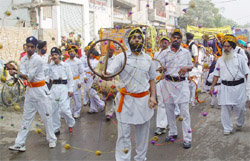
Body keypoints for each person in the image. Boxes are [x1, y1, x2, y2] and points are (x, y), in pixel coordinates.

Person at [105, 28, 157, 161]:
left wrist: (153, 96)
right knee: (124, 135)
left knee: (143, 134)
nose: (137, 39)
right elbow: (109, 72)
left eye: (139, 37)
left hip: (143, 100)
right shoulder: (121, 57)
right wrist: (106, 75)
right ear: (129, 41)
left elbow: (152, 79)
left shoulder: (148, 59)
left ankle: (140, 158)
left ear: (142, 40)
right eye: (134, 37)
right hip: (126, 100)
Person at [8, 36, 57, 152]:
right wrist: (14, 71)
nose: (29, 49)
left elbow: (29, 76)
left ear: (35, 48)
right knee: (26, 118)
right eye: (27, 46)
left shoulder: (38, 60)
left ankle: (52, 139)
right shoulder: (24, 59)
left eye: (32, 47)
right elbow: (23, 73)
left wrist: (15, 70)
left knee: (46, 116)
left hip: (40, 91)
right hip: (30, 92)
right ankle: (20, 143)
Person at [210, 34, 249, 135]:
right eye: (224, 46)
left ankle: (239, 123)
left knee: (240, 108)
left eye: (228, 46)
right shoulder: (220, 60)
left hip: (239, 87)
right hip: (225, 87)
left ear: (232, 46)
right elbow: (216, 74)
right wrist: (212, 86)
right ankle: (227, 128)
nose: (226, 48)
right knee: (225, 109)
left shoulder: (240, 58)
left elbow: (246, 74)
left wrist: (247, 88)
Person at [161, 29, 193, 149]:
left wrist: (186, 68)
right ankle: (172, 133)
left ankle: (187, 139)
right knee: (169, 111)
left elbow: (192, 65)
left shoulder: (186, 52)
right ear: (170, 39)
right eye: (174, 37)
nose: (176, 39)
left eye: (178, 38)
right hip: (168, 84)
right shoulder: (165, 53)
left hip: (181, 84)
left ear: (181, 40)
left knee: (185, 113)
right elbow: (161, 66)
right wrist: (161, 69)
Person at [46, 47, 75, 135]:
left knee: (64, 109)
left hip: (63, 88)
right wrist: (47, 64)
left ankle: (70, 123)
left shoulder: (65, 65)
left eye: (56, 55)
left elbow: (70, 78)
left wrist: (70, 89)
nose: (54, 56)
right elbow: (46, 75)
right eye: (52, 55)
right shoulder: (50, 66)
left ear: (59, 56)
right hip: (54, 87)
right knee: (54, 109)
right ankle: (56, 128)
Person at [96, 44, 117, 120]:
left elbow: (120, 69)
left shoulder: (117, 59)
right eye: (107, 50)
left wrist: (113, 76)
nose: (109, 51)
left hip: (115, 80)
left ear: (113, 51)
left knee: (114, 96)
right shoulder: (102, 58)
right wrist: (101, 74)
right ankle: (109, 112)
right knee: (108, 96)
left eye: (110, 50)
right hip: (104, 79)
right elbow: (97, 68)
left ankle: (112, 112)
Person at [153, 36, 169, 135]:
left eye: (166, 42)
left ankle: (166, 124)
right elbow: (154, 67)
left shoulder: (170, 53)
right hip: (158, 80)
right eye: (162, 42)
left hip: (168, 80)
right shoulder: (156, 53)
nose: (164, 43)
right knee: (161, 102)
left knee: (167, 102)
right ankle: (162, 125)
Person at [65, 45, 85, 119]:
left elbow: (82, 72)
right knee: (68, 98)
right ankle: (69, 112)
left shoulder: (78, 61)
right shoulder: (66, 62)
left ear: (75, 53)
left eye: (72, 52)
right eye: (70, 52)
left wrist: (80, 81)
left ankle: (77, 112)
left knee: (77, 98)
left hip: (76, 81)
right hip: (68, 81)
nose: (71, 53)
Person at [84, 48, 105, 114]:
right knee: (90, 93)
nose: (89, 54)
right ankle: (93, 108)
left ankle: (101, 104)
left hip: (94, 78)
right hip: (89, 78)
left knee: (93, 93)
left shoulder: (97, 61)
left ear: (93, 54)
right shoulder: (90, 60)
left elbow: (90, 68)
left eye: (90, 53)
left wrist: (82, 70)